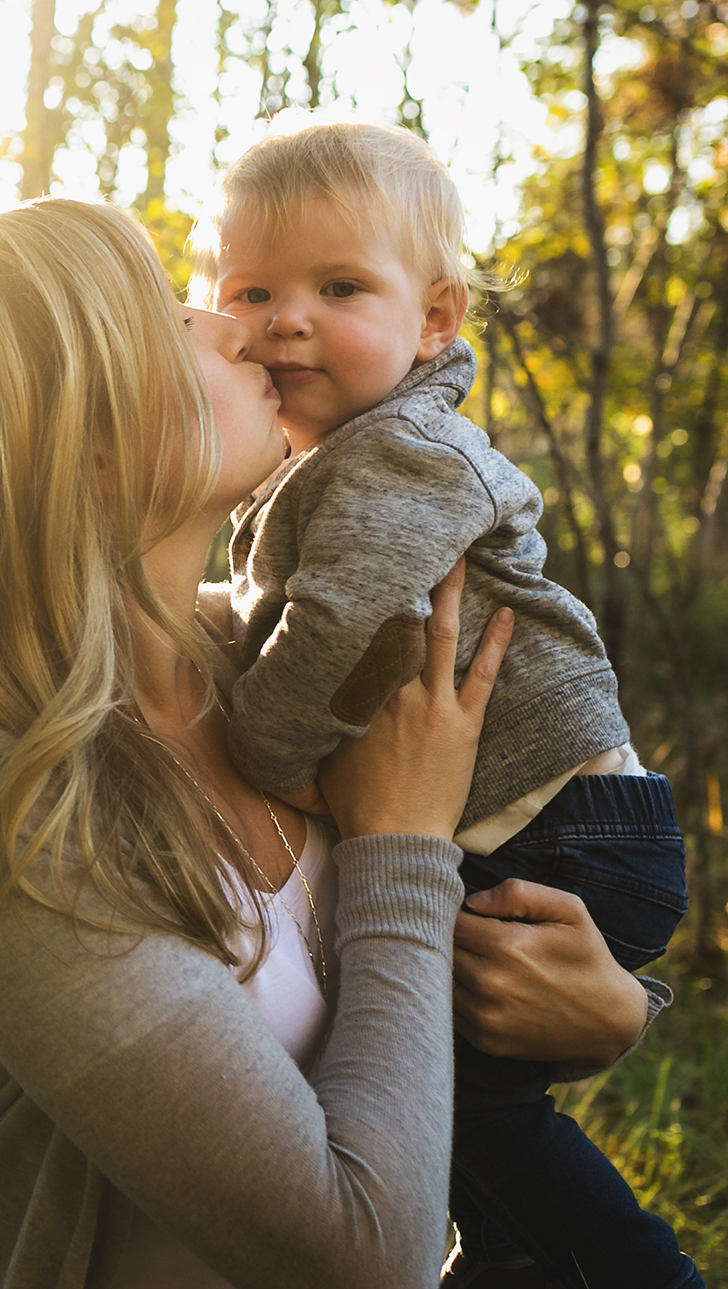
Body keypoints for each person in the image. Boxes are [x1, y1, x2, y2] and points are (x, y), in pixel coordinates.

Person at [0, 196, 661, 1289]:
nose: (236, 324)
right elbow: (359, 1256)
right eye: (166, 317)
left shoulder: (268, 658)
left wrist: (607, 1010)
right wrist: (400, 843)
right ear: (82, 445)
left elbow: (402, 1062)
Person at [189, 117, 700, 1289]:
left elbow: (336, 630)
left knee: (438, 1090)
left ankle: (624, 1268)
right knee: (444, 1101)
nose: (287, 317)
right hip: (524, 821)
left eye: (339, 285)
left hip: (559, 829)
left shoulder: (402, 455)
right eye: (251, 287)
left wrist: (264, 749)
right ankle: (512, 1251)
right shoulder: (319, 458)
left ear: (434, 320)